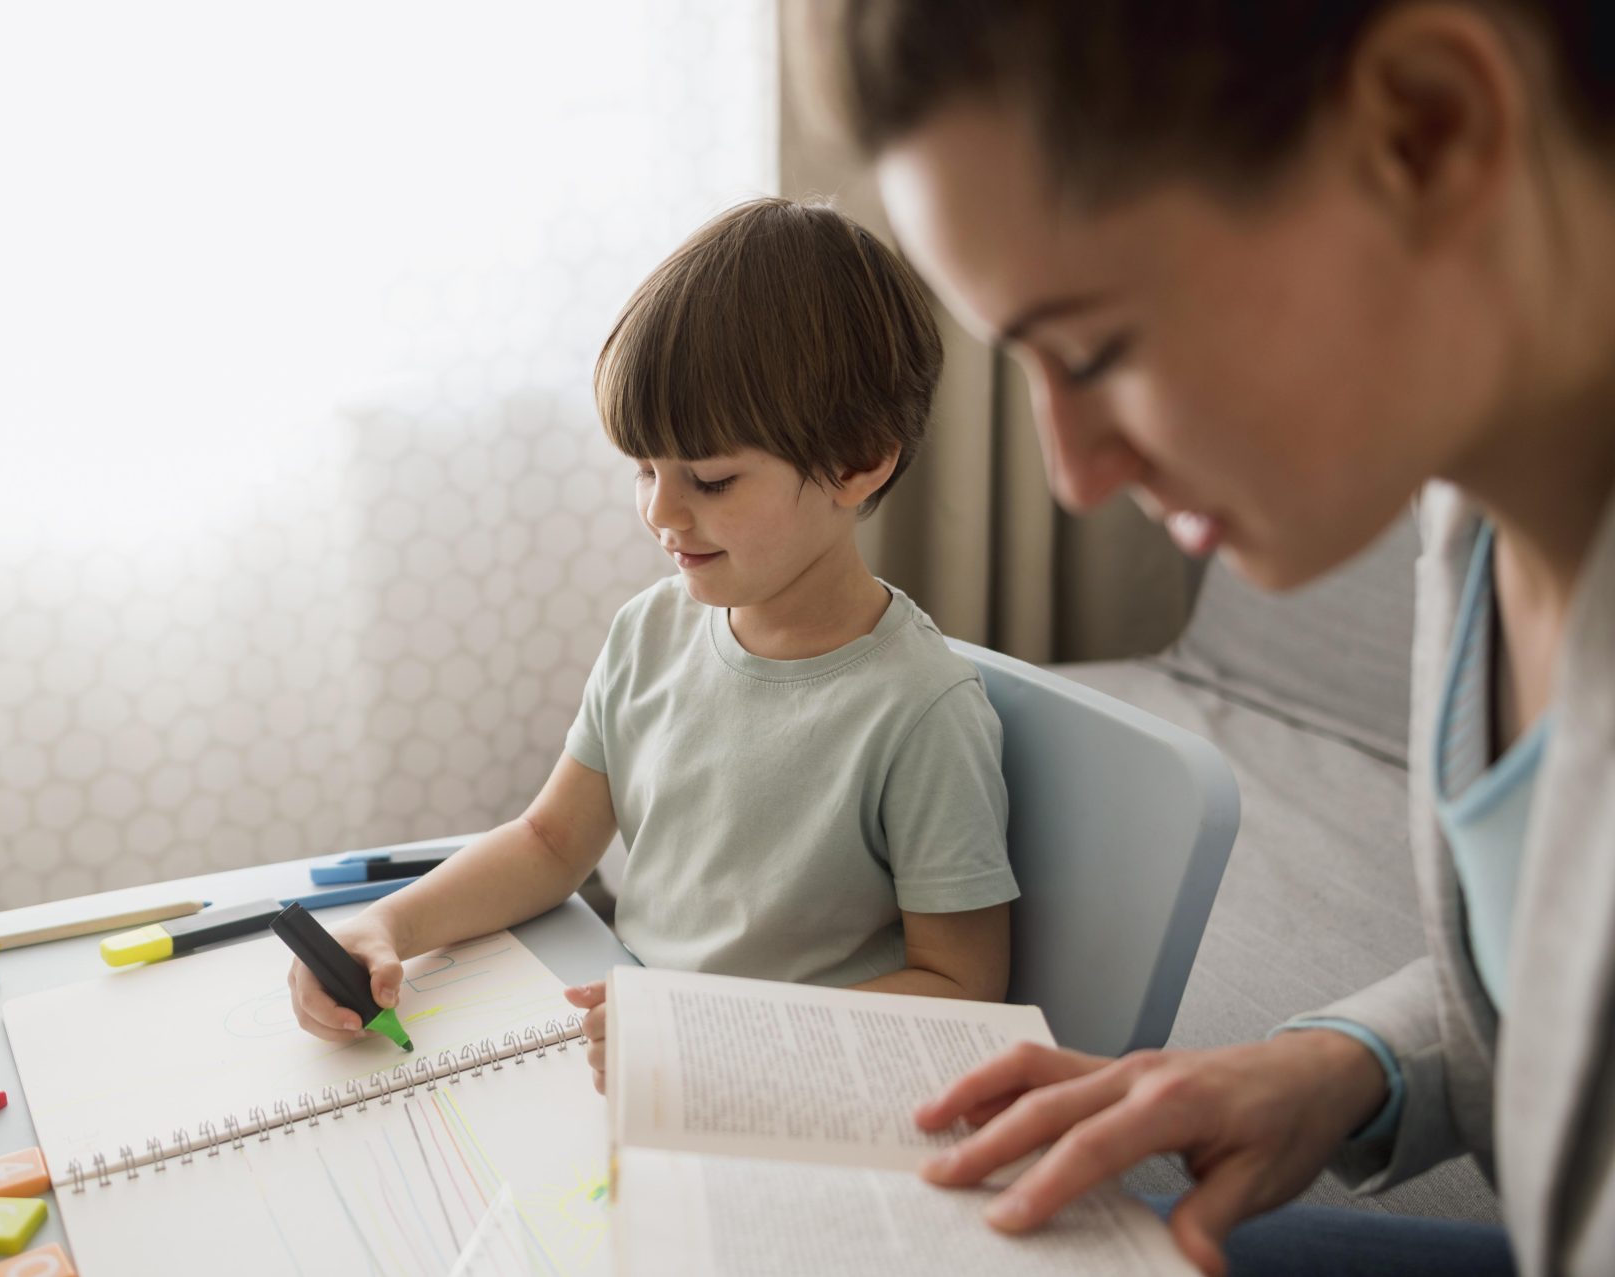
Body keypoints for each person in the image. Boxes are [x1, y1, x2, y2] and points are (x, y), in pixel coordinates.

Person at [796, 2, 1615, 1274]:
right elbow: (1557, 971)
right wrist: (1338, 1065)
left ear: (1429, 129)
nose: (1073, 474)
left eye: (1098, 346)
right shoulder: (1471, 495)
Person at [288, 197, 1017, 1093]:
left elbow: (966, 986)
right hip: (637, 1050)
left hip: (789, 1088)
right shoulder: (650, 630)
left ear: (860, 459)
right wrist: (388, 926)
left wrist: (716, 1035)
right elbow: (554, 841)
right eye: (644, 468)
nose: (661, 514)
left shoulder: (920, 710)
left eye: (708, 479)